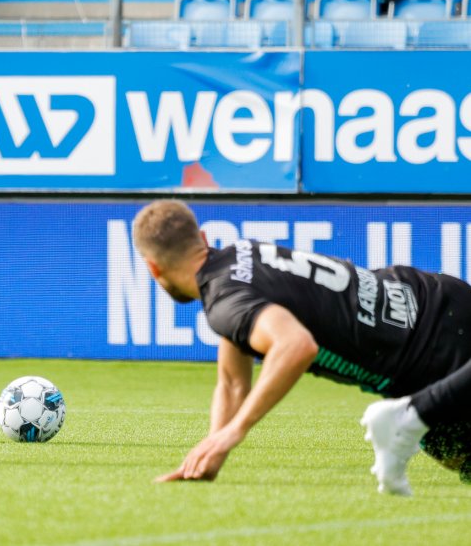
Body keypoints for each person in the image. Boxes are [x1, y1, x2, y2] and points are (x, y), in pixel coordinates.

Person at [133, 199, 471, 496]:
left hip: (430, 357)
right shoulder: (238, 257)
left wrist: (234, 432)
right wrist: (212, 446)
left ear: (152, 267)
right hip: (436, 296)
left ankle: (408, 417)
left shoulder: (226, 301)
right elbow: (233, 382)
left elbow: (295, 346)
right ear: (203, 239)